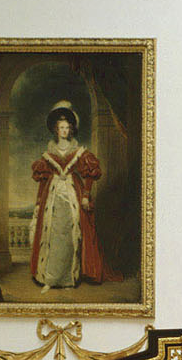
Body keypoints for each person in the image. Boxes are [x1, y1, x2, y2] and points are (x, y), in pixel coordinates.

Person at [29, 101, 117, 291]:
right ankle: (50, 278)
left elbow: (90, 175)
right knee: (52, 234)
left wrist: (85, 195)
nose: (64, 131)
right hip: (51, 198)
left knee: (71, 235)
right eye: (61, 127)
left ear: (71, 129)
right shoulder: (48, 154)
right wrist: (38, 203)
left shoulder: (79, 152)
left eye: (67, 127)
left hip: (72, 196)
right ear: (55, 129)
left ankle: (69, 278)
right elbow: (43, 180)